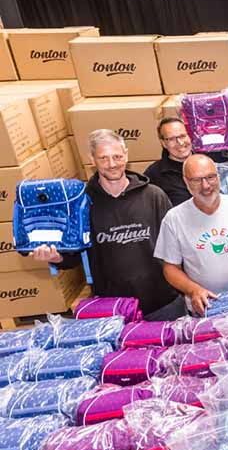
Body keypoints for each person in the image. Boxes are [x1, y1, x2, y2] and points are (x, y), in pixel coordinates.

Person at [31, 130, 184, 321]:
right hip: (113, 311)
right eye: (104, 158)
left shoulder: (154, 196)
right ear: (92, 159)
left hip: (164, 304)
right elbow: (72, 257)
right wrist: (55, 257)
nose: (112, 164)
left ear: (126, 155)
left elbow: (177, 244)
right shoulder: (82, 204)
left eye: (117, 157)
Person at [154, 155, 228, 316]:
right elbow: (170, 268)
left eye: (210, 177)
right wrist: (193, 290)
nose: (205, 186)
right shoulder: (174, 218)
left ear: (218, 176)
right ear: (186, 181)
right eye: (197, 180)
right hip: (205, 310)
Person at [144, 117, 193, 207]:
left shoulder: (209, 162)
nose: (180, 143)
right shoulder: (154, 174)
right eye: (171, 139)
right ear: (163, 143)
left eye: (182, 136)